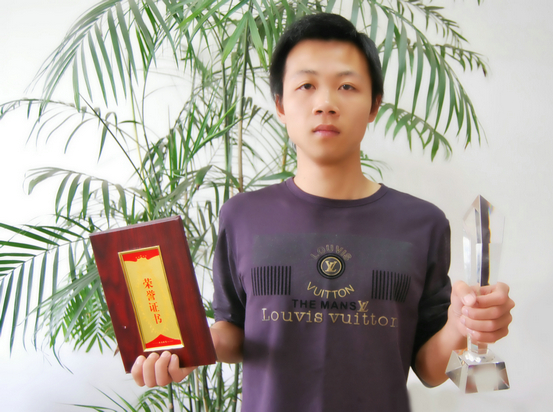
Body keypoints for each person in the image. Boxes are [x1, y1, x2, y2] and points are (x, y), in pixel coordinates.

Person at [132, 13, 514, 411]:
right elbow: (233, 331)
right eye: (306, 86)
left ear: (374, 105)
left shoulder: (422, 223)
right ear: (280, 105)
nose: (325, 104)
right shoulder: (242, 216)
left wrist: (464, 324)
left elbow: (430, 370)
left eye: (347, 86)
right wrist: (187, 350)